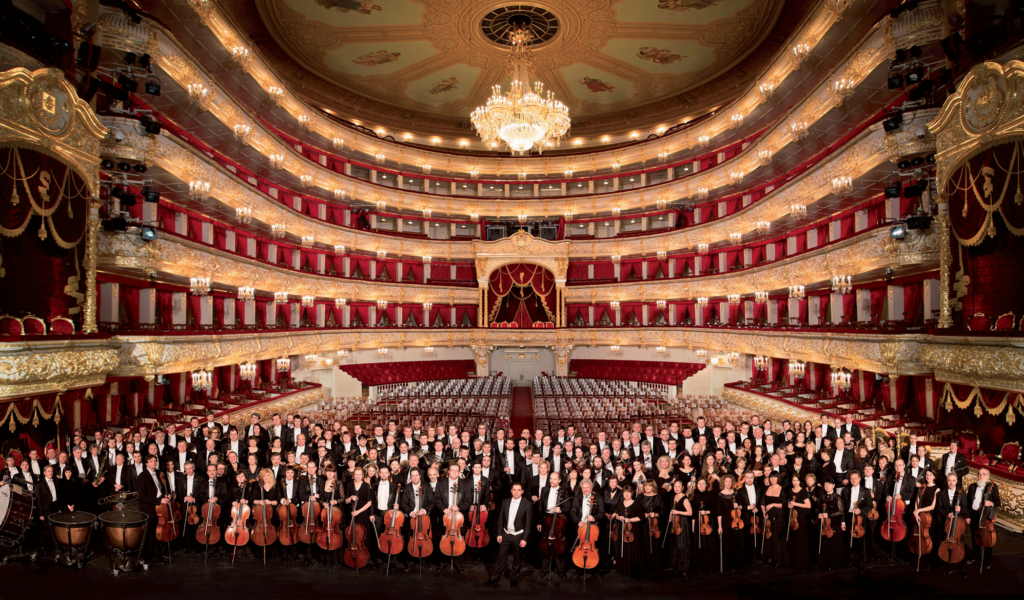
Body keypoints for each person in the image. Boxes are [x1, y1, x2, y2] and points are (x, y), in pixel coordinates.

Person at [487, 482, 533, 588]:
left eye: (518, 490)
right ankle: (495, 578)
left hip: (519, 535)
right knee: (501, 556)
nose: (516, 492)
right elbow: (500, 519)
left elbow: (528, 524)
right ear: (511, 491)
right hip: (506, 533)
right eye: (514, 489)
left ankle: (514, 578)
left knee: (517, 558)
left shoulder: (527, 504)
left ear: (522, 491)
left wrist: (524, 539)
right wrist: (499, 533)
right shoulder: (505, 502)